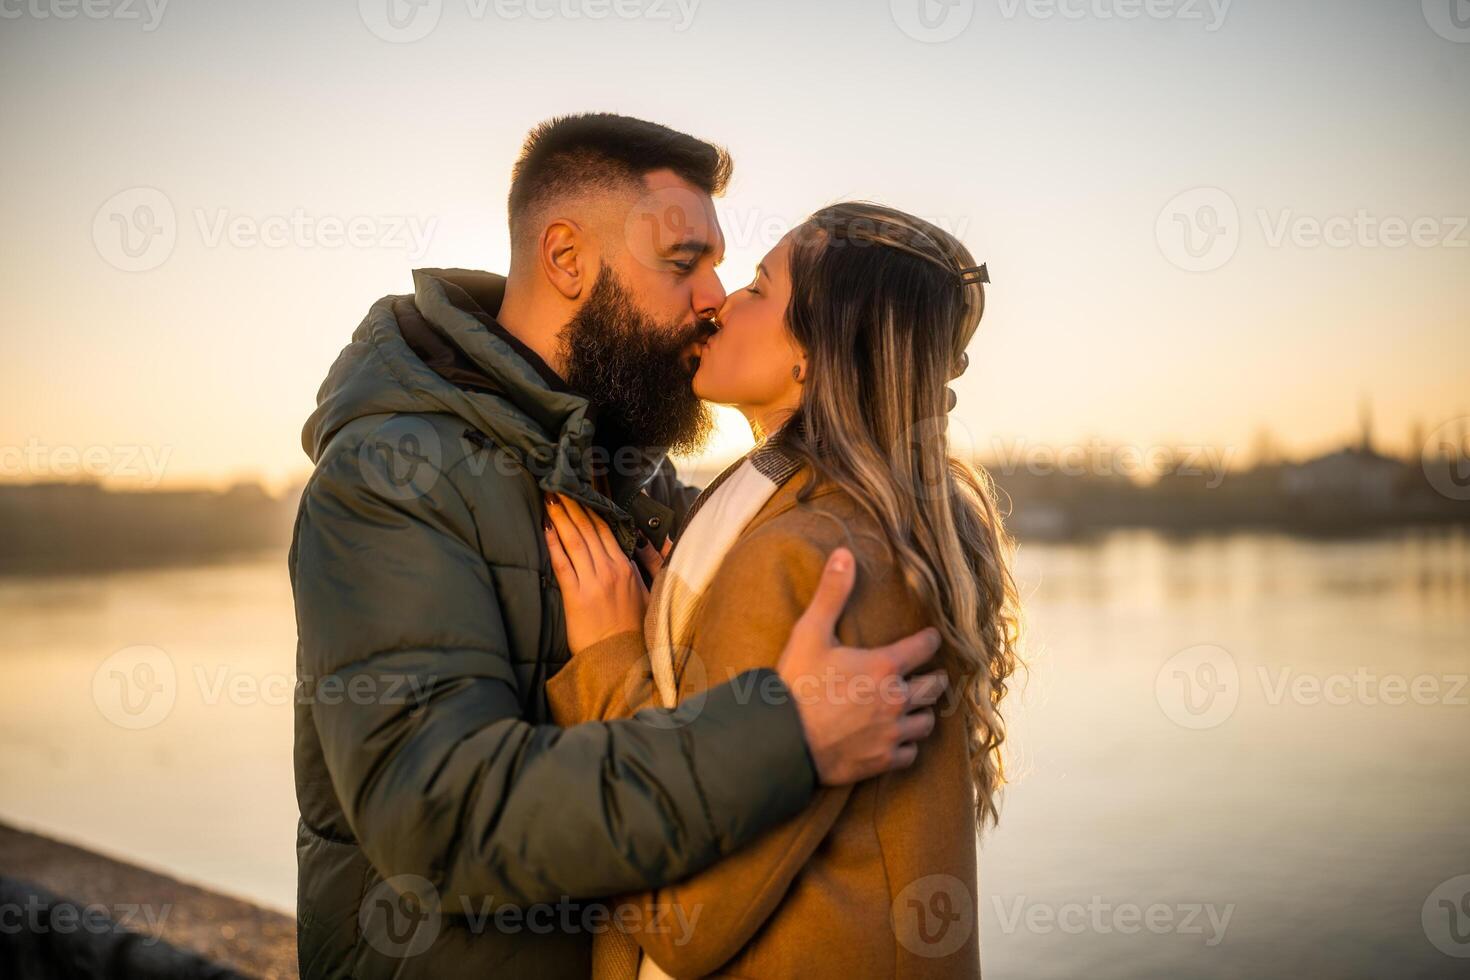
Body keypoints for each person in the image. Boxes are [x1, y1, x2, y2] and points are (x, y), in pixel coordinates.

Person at [290, 115, 950, 978]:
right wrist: (784, 738)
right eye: (684, 263)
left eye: (723, 267)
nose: (714, 297)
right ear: (566, 259)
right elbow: (439, 820)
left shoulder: (627, 472)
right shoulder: (392, 478)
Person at [542, 202, 1022, 978]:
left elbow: (678, 923)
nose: (725, 301)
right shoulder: (843, 521)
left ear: (815, 353)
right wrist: (685, 627)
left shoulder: (814, 556)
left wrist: (610, 657)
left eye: (760, 288)